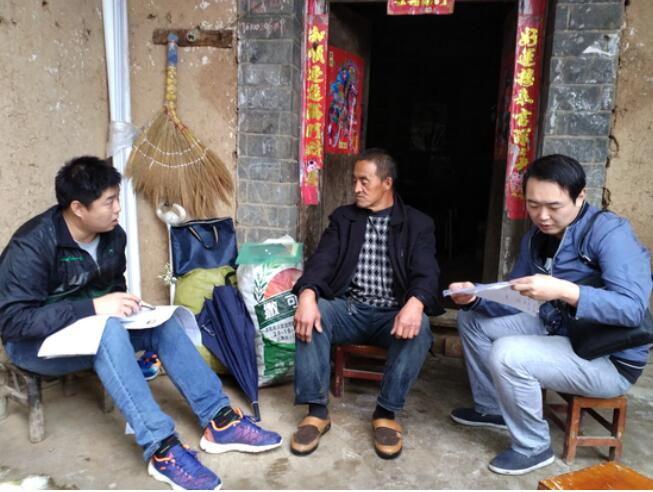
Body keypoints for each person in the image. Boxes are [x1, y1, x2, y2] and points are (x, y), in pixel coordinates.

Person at [0, 156, 282, 490]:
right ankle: (162, 448)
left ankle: (219, 420)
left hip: (92, 328)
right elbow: (14, 322)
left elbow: (112, 287)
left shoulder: (112, 236)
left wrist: (129, 306)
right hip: (34, 345)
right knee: (107, 332)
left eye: (117, 198)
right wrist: (93, 307)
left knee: (162, 323)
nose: (118, 208)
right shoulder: (32, 245)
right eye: (109, 202)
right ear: (78, 208)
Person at [448, 154, 652, 476]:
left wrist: (563, 290)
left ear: (580, 196)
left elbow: (632, 308)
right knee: (472, 320)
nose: (542, 216)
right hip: (560, 329)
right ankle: (493, 408)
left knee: (508, 354)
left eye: (554, 206)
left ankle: (533, 447)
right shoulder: (536, 238)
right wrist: (476, 296)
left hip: (607, 358)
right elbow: (516, 294)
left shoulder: (610, 233)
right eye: (533, 205)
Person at [290, 148, 442, 459]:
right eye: (354, 181)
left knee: (422, 326)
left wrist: (415, 303)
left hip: (391, 316)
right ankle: (316, 411)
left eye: (364, 181)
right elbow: (322, 261)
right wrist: (307, 294)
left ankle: (385, 413)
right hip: (350, 310)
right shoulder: (344, 219)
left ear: (386, 183)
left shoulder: (417, 224)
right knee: (314, 312)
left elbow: (427, 272)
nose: (356, 188)